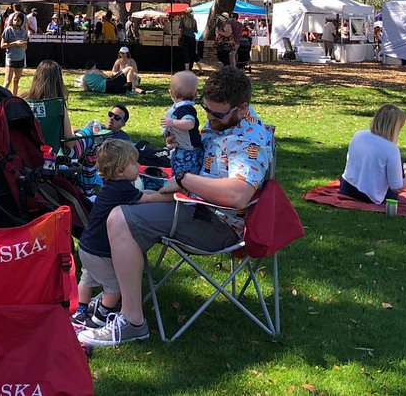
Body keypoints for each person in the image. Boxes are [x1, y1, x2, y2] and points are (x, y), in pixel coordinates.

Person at [79, 68, 272, 346]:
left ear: (242, 108)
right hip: (194, 207)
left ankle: (132, 320)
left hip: (217, 224)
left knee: (120, 218)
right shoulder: (225, 121)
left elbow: (239, 195)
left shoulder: (249, 139)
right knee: (122, 212)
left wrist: (183, 180)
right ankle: (114, 294)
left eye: (217, 114)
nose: (208, 118)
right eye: (205, 109)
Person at [73, 140, 171, 328]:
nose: (137, 166)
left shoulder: (111, 187)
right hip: (102, 251)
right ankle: (99, 318)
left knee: (86, 280)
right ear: (119, 171)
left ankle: (80, 311)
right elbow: (149, 198)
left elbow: (143, 194)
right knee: (116, 287)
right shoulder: (123, 189)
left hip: (87, 246)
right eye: (134, 163)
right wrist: (170, 195)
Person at [339, 104, 406, 204]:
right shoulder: (390, 148)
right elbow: (397, 187)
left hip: (346, 187)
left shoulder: (359, 134)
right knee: (393, 193)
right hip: (367, 196)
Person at [161, 70, 203, 173]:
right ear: (195, 94)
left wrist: (173, 123)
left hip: (190, 151)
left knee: (187, 173)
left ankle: (184, 185)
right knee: (178, 167)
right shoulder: (178, 108)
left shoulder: (185, 109)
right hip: (182, 148)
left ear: (171, 93)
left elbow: (189, 123)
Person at [25, 59, 73, 141]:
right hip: (54, 152)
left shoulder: (23, 102)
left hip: (28, 151)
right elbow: (70, 142)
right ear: (58, 81)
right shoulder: (57, 105)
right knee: (91, 129)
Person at [1, 11, 29, 96]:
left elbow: (26, 46)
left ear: (22, 21)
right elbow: (2, 45)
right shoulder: (8, 30)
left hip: (20, 57)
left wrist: (23, 45)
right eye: (14, 20)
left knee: (16, 79)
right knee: (7, 81)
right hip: (11, 58)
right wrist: (14, 43)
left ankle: (14, 98)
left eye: (18, 20)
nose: (16, 22)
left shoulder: (23, 31)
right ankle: (1, 97)